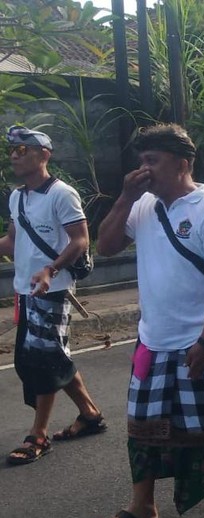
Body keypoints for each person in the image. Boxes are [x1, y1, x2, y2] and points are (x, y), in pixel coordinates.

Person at [91, 124, 204, 518]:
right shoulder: (142, 205)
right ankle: (142, 507)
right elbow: (105, 246)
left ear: (183, 163)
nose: (144, 169)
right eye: (141, 161)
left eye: (153, 161)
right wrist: (125, 199)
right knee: (143, 423)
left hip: (199, 337)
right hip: (151, 338)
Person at [2, 126, 106, 466]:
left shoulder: (62, 194)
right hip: (25, 291)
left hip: (53, 290)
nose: (14, 156)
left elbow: (80, 240)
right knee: (52, 355)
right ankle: (89, 413)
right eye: (12, 151)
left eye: (22, 150)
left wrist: (51, 270)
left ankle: (39, 435)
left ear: (44, 154)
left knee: (43, 359)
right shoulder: (17, 196)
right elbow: (12, 242)